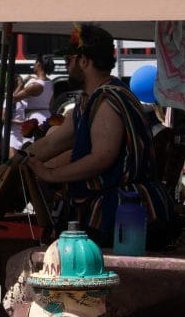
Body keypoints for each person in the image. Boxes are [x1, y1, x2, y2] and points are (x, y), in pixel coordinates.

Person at [22, 24, 173, 245]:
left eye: (69, 60)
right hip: (111, 211)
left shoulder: (109, 99)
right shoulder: (89, 100)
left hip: (124, 213)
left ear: (84, 61)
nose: (67, 66)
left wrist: (51, 174)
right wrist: (12, 165)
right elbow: (52, 143)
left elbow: (102, 157)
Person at [9, 56, 56, 153]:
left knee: (28, 149)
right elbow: (51, 103)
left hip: (34, 118)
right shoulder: (50, 83)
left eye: (35, 63)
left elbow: (14, 98)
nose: (33, 65)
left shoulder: (35, 85)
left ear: (39, 64)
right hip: (47, 116)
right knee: (42, 149)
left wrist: (21, 84)